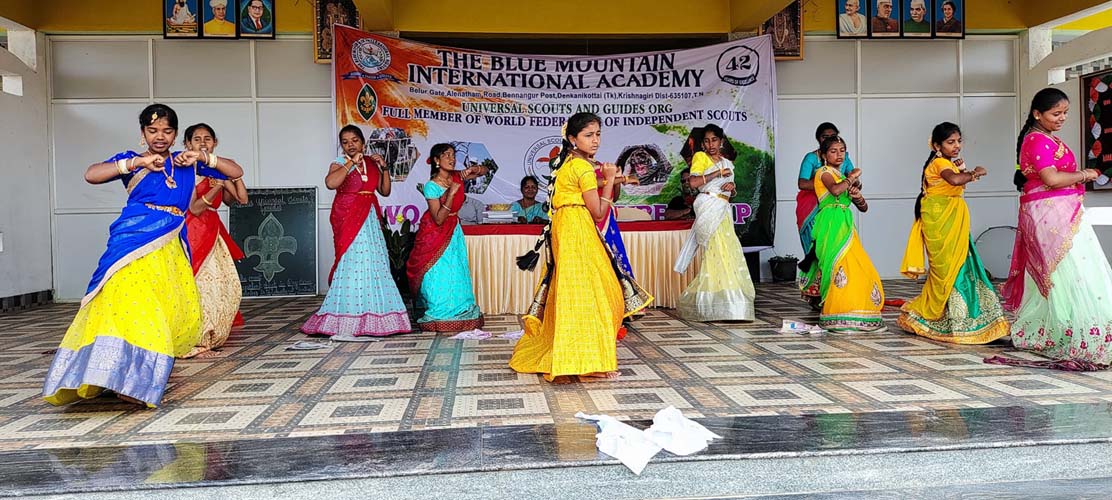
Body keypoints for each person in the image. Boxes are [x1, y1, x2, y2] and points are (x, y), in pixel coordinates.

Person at [42, 104, 243, 408]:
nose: (160, 136)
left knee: (161, 311)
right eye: (152, 130)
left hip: (170, 248)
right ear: (143, 133)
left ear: (175, 134)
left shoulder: (185, 162)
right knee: (128, 306)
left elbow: (236, 172)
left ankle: (136, 378)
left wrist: (203, 157)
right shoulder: (134, 161)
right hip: (131, 246)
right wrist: (136, 163)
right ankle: (112, 375)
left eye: (167, 131)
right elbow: (92, 174)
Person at [510, 112, 652, 382]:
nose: (595, 140)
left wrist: (612, 179)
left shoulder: (566, 163)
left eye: (598, 134)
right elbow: (598, 213)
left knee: (576, 294)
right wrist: (609, 178)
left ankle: (581, 358)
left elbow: (584, 191)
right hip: (577, 231)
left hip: (567, 229)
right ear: (573, 138)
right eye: (589, 135)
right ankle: (588, 361)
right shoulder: (583, 167)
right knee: (601, 294)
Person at [1002, 88, 1112, 364]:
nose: (1062, 118)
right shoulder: (1036, 140)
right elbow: (1051, 178)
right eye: (1056, 113)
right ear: (1037, 114)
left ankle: (1075, 329)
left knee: (1079, 270)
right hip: (1050, 214)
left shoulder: (1047, 137)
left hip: (1063, 211)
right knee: (1067, 271)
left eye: (1065, 113)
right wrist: (1085, 174)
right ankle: (1070, 332)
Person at [897, 122, 1009, 344]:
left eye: (959, 141)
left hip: (951, 217)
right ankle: (942, 317)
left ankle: (960, 316)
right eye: (950, 142)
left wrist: (965, 170)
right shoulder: (939, 162)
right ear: (937, 146)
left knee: (959, 265)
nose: (956, 146)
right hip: (940, 220)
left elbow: (956, 182)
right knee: (947, 268)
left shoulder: (949, 162)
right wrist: (974, 173)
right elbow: (954, 180)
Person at [302, 126, 411, 338]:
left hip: (369, 216)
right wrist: (351, 162)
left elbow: (384, 191)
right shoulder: (339, 162)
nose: (350, 145)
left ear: (363, 142)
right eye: (345, 142)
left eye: (354, 140)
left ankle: (376, 316)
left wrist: (384, 168)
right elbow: (330, 183)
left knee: (373, 261)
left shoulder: (371, 163)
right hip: (348, 215)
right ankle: (347, 316)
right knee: (351, 261)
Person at [798, 136, 886, 332]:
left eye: (842, 150)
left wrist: (858, 196)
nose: (839, 155)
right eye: (833, 151)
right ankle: (834, 312)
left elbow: (863, 208)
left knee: (855, 265)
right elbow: (836, 191)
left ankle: (853, 310)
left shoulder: (841, 177)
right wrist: (852, 177)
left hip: (845, 226)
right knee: (835, 265)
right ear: (824, 155)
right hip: (829, 224)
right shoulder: (824, 172)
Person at [673, 124, 756, 322]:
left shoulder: (727, 162)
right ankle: (713, 305)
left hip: (723, 209)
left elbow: (729, 191)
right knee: (716, 251)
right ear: (702, 144)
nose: (711, 145)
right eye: (707, 141)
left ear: (721, 141)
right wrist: (717, 174)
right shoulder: (700, 157)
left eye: (714, 140)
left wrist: (731, 187)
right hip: (708, 206)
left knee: (729, 252)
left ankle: (730, 303)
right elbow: (693, 183)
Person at [182, 123, 248, 357]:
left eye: (207, 139)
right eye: (196, 139)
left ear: (215, 143)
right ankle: (197, 335)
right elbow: (194, 208)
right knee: (199, 283)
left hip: (214, 231)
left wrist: (234, 176)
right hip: (192, 231)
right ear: (187, 144)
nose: (202, 143)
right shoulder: (187, 170)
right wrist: (216, 186)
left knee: (224, 284)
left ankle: (214, 330)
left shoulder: (216, 167)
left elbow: (240, 199)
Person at [405, 144, 485, 332]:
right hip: (434, 234)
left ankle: (459, 310)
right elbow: (439, 219)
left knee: (456, 272)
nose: (451, 158)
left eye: (453, 155)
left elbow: (485, 171)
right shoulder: (431, 186)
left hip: (453, 232)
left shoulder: (457, 176)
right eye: (446, 155)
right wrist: (451, 193)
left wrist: (474, 169)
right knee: (438, 274)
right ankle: (440, 313)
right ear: (436, 160)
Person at [797, 122, 857, 303]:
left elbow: (851, 180)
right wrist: (826, 184)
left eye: (833, 136)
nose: (829, 139)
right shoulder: (812, 159)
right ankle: (817, 293)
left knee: (839, 252)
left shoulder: (843, 158)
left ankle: (838, 292)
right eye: (825, 137)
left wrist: (851, 184)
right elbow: (802, 183)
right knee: (818, 250)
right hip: (812, 208)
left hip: (838, 212)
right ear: (819, 140)